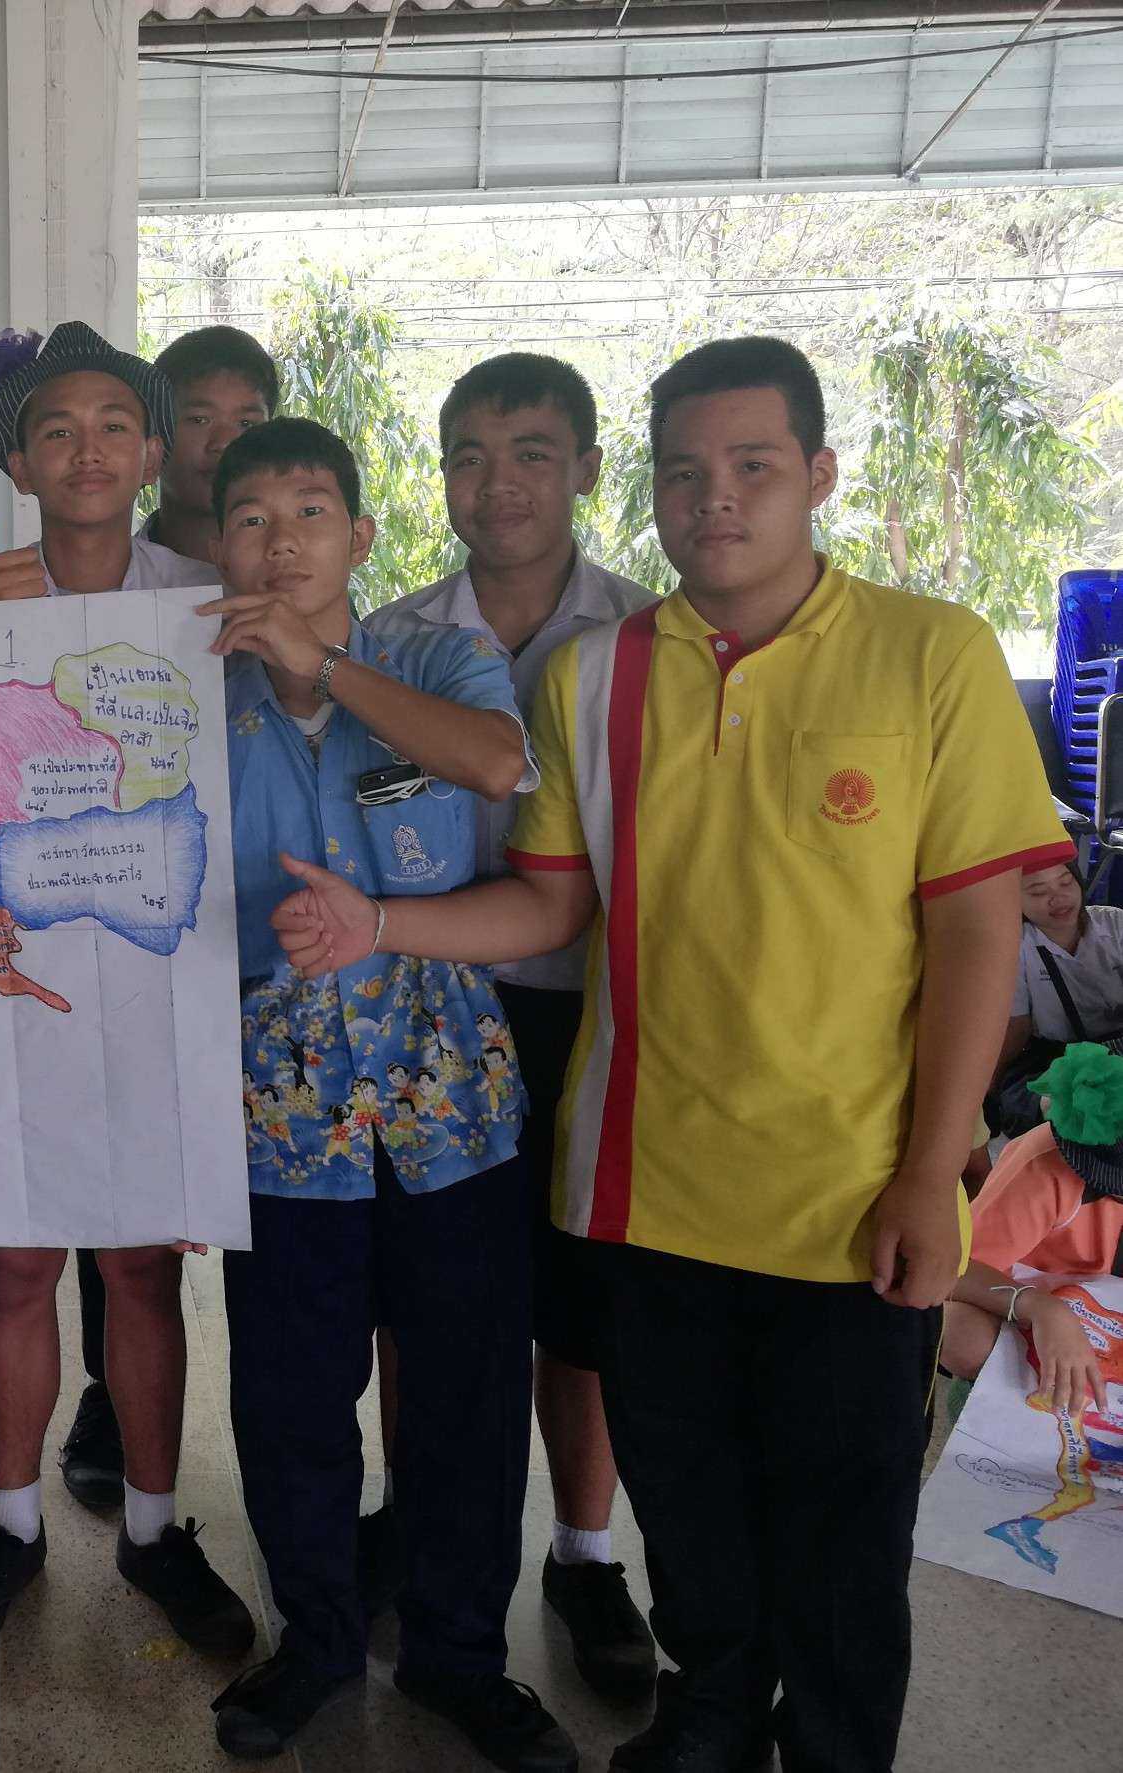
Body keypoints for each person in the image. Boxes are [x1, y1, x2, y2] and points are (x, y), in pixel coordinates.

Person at [266, 336, 1073, 1773]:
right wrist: (375, 921)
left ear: (819, 475)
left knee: (842, 1537)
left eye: (754, 465)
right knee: (688, 1511)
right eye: (687, 473)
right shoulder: (597, 675)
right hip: (645, 1186)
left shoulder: (930, 652)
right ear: (648, 490)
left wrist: (927, 1173)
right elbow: (548, 907)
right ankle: (706, 1728)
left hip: (851, 1196)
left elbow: (975, 932)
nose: (718, 499)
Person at [198, 419, 575, 1771]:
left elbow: (495, 765)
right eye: (252, 516)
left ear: (360, 536)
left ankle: (462, 1656)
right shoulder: (188, 690)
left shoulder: (434, 657)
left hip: (450, 1108)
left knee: (467, 1398)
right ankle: (312, 1636)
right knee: (290, 1400)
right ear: (220, 543)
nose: (281, 542)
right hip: (275, 1117)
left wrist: (327, 667)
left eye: (311, 511)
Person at [0, 321, 254, 1662]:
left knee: (140, 1268)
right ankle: (11, 1526)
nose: (88, 449)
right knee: (15, 1264)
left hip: (163, 976)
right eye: (56, 429)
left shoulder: (208, 597)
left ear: (154, 451)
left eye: (116, 424)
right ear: (17, 462)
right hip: (14, 978)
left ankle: (156, 1530)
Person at [365, 353, 658, 1698]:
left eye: (534, 452)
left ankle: (585, 1554)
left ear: (587, 467)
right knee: (421, 1300)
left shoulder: (651, 639)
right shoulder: (389, 641)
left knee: (582, 1304)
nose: (500, 484)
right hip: (429, 1010)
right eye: (471, 457)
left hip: (593, 1014)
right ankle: (416, 1514)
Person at [944, 1040, 1123, 1572]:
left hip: (1107, 1324)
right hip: (1029, 1311)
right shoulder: (1046, 1166)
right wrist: (1040, 1310)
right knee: (956, 1332)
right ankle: (991, 1399)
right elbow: (953, 1272)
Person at [991, 861, 1123, 1131]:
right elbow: (1018, 1027)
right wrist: (990, 1083)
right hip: (1058, 1058)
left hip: (1118, 1048)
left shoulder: (1115, 924)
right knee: (1032, 1102)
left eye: (1065, 882)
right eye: (1038, 892)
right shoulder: (1015, 947)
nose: (1058, 898)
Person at [144, 323, 279, 564]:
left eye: (246, 423)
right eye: (199, 420)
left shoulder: (303, 578)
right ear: (153, 438)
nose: (224, 443)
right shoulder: (109, 581)